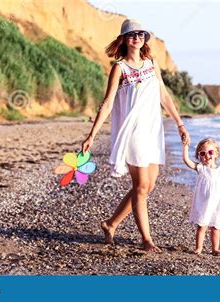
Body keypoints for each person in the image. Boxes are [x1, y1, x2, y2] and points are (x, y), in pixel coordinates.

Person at [81, 19, 190, 252]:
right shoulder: (119, 68)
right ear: (124, 39)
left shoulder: (151, 63)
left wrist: (180, 124)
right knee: (140, 186)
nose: (137, 37)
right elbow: (108, 103)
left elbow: (164, 95)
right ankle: (146, 239)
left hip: (152, 131)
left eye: (140, 34)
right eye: (131, 34)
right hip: (132, 133)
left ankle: (110, 224)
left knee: (148, 186)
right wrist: (91, 135)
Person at [182, 138, 220, 256]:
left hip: (217, 204)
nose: (206, 156)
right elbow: (187, 161)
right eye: (202, 153)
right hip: (203, 203)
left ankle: (215, 249)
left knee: (216, 227)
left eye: (210, 152)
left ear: (216, 154)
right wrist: (185, 147)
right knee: (202, 226)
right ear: (199, 156)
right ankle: (198, 248)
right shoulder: (201, 169)